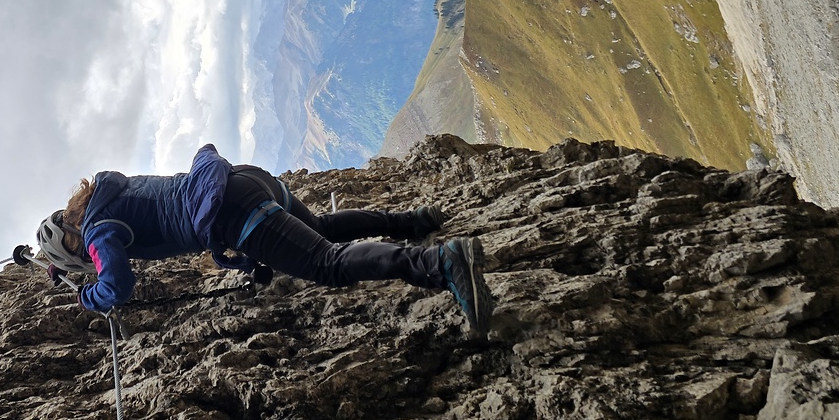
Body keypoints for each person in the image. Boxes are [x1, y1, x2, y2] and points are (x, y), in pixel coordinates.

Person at [31, 143, 494, 338]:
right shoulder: (111, 191)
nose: (84, 262)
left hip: (230, 212)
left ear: (73, 245)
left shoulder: (97, 233)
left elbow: (116, 285)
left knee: (326, 263)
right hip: (241, 180)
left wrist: (89, 297)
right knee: (323, 231)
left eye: (76, 262)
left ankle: (440, 262)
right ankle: (415, 221)